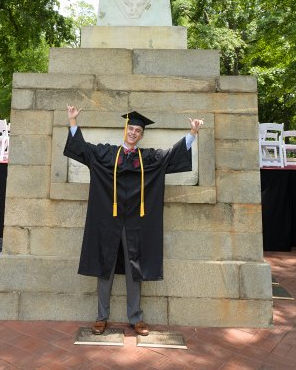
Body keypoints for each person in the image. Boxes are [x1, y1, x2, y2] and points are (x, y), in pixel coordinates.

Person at [64, 106, 203, 336]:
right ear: (125, 129)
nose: (133, 132)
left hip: (135, 225)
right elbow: (83, 150)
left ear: (141, 134)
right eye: (131, 128)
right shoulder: (107, 154)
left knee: (133, 270)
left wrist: (192, 133)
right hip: (108, 221)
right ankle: (101, 317)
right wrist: (72, 121)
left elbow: (170, 156)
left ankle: (136, 317)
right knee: (104, 269)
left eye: (138, 130)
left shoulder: (146, 158)